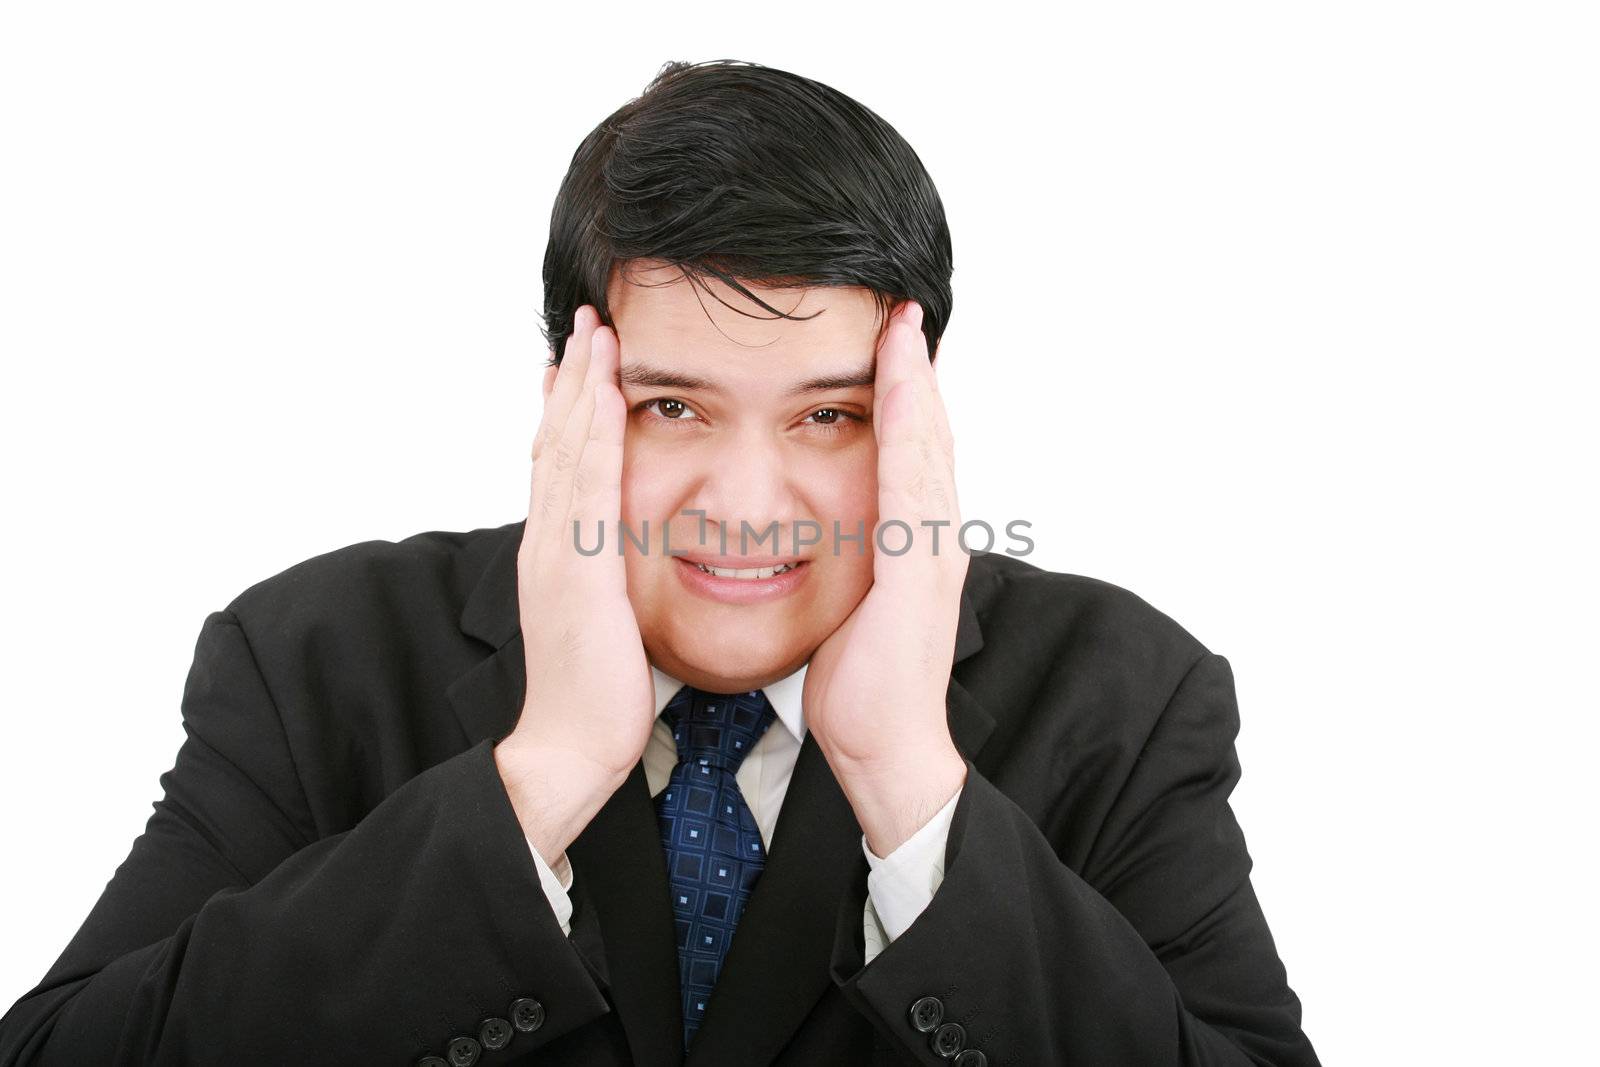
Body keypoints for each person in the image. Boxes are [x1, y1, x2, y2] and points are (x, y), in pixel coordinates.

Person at [0, 59, 1320, 1066]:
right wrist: (539, 777)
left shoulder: (1128, 697)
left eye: (829, 415)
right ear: (567, 395)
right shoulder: (316, 660)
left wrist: (915, 790)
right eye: (670, 407)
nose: (746, 505)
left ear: (916, 415)